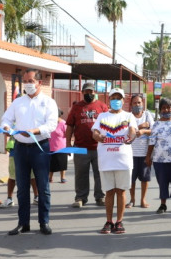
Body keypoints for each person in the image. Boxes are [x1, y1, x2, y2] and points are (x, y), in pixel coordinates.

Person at [1, 69, 59, 236]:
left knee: (43, 187)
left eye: (31, 80)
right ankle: (23, 223)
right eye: (25, 80)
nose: (27, 84)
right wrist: (5, 127)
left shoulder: (49, 102)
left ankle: (44, 221)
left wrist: (34, 131)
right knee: (22, 188)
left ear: (39, 82)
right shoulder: (18, 102)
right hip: (20, 148)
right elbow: (6, 119)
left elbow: (51, 125)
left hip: (40, 148)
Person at [92, 88, 137, 234]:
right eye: (113, 98)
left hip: (123, 160)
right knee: (109, 192)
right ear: (109, 100)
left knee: (121, 191)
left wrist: (131, 135)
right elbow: (95, 132)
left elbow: (132, 130)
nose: (116, 100)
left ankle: (119, 221)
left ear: (123, 101)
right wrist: (98, 136)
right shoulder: (102, 116)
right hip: (106, 160)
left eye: (119, 98)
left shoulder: (129, 116)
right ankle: (109, 221)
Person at [66, 81, 109, 208]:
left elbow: (108, 124)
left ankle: (100, 197)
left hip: (99, 147)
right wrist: (68, 144)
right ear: (82, 92)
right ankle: (80, 198)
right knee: (80, 174)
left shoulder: (102, 106)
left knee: (100, 173)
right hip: (80, 147)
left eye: (91, 91)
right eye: (86, 92)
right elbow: (69, 126)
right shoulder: (76, 107)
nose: (89, 94)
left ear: (94, 92)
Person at [146, 97, 171, 217]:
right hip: (159, 160)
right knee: (162, 182)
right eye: (163, 108)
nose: (166, 110)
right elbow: (152, 142)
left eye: (169, 107)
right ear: (160, 110)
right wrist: (148, 157)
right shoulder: (156, 124)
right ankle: (163, 204)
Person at [128, 93, 154, 209]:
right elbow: (126, 131)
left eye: (139, 102)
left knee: (145, 178)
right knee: (131, 179)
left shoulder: (147, 115)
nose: (137, 105)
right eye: (134, 103)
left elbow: (154, 130)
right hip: (130, 154)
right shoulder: (128, 116)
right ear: (131, 104)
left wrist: (145, 131)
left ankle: (143, 199)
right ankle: (132, 199)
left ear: (142, 104)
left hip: (144, 154)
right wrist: (141, 127)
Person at [1, 135, 38, 208]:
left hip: (31, 149)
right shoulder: (13, 123)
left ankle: (36, 197)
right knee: (12, 176)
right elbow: (6, 132)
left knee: (33, 176)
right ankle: (9, 199)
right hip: (15, 152)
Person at [48, 109, 68, 184]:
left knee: (62, 163)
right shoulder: (51, 123)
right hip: (51, 146)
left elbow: (67, 134)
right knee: (51, 164)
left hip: (61, 147)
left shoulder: (63, 124)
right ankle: (50, 178)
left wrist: (68, 146)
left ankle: (62, 177)